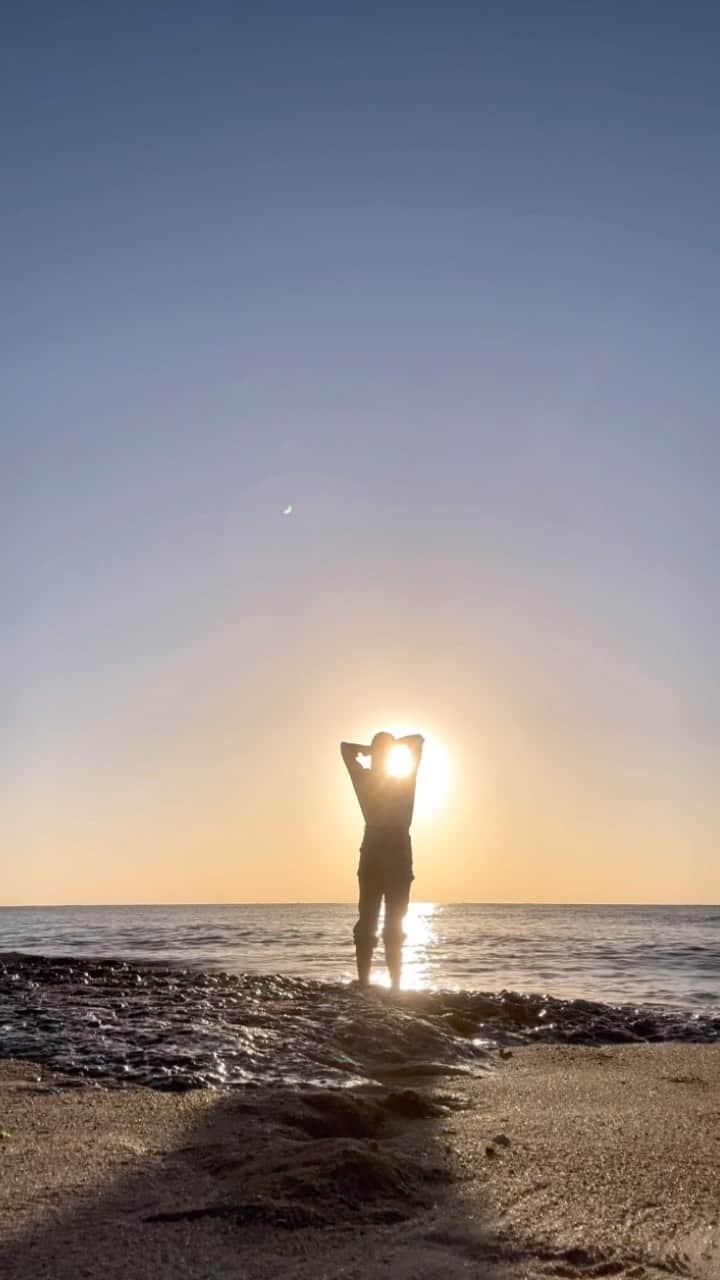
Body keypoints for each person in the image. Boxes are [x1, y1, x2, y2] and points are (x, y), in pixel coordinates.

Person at [340, 730, 425, 991]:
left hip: (377, 844)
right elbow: (417, 741)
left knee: (372, 916)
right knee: (388, 917)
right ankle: (393, 985)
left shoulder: (366, 778)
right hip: (393, 845)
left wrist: (372, 749)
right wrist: (387, 747)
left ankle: (371, 982)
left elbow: (345, 748)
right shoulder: (404, 780)